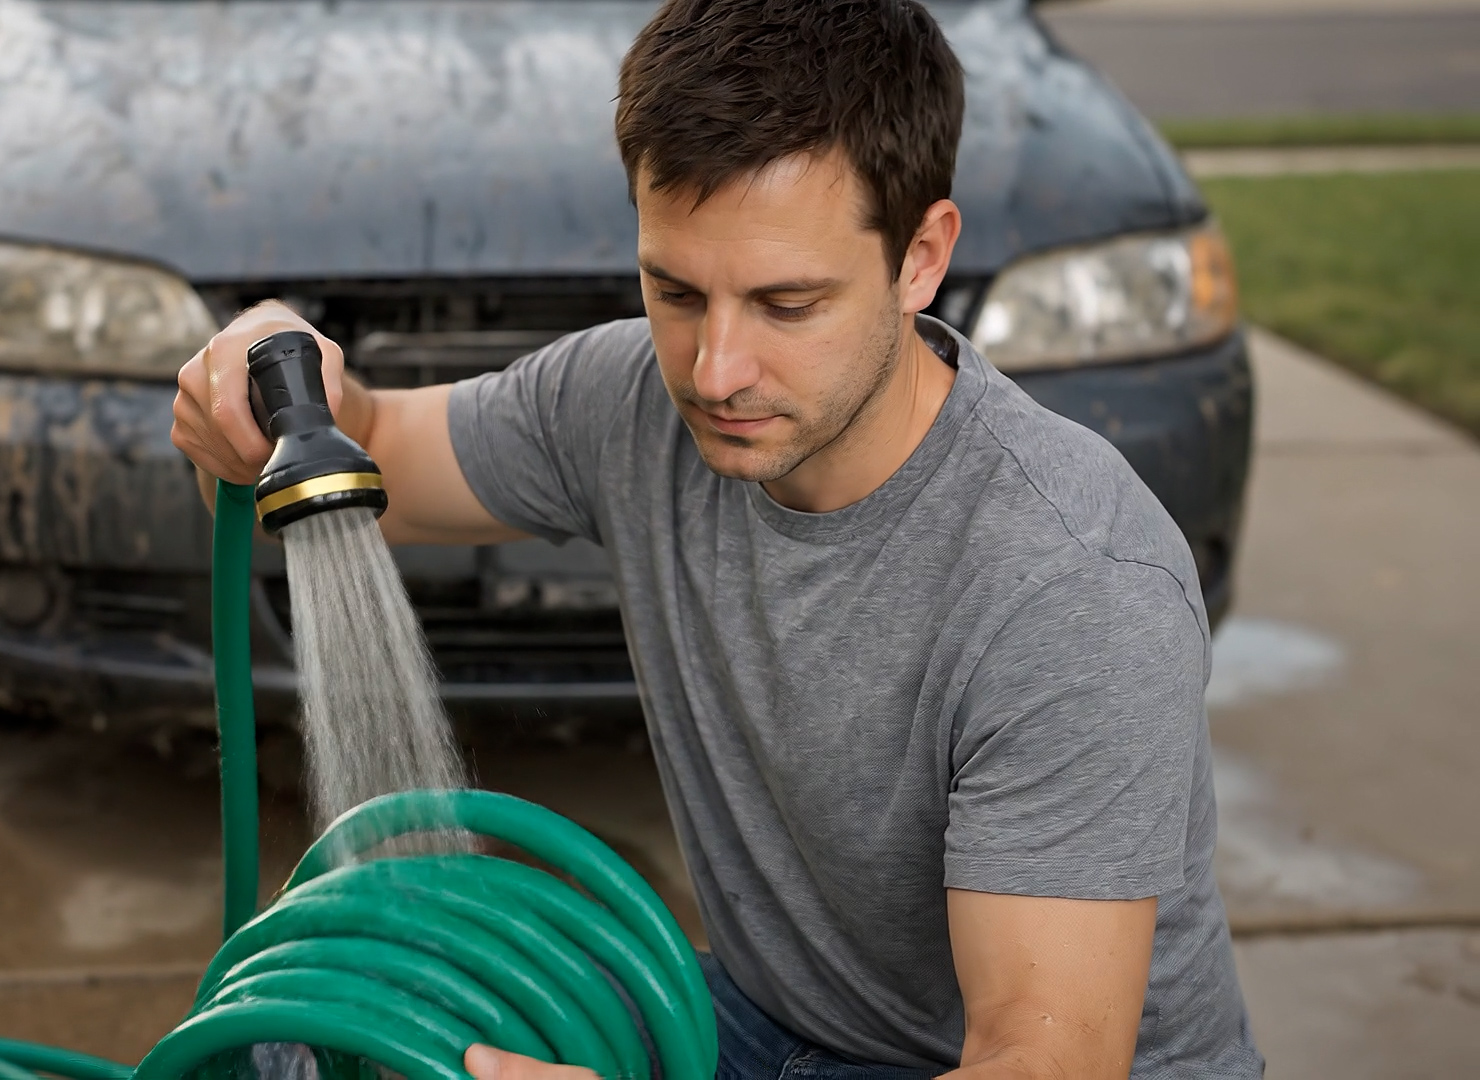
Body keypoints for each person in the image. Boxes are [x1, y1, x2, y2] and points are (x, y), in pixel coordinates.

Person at [173, 0, 1262, 1076]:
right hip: (764, 1024)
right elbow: (377, 459)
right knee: (323, 1029)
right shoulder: (630, 401)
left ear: (922, 257)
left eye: (788, 304)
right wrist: (281, 376)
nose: (714, 371)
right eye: (675, 290)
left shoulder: (1073, 583)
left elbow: (1042, 1063)